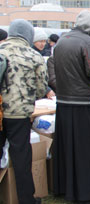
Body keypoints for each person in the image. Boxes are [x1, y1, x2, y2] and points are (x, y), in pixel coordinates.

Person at [53, 10, 90, 202]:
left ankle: (63, 186)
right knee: (83, 148)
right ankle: (84, 191)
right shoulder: (88, 42)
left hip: (63, 101)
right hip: (82, 102)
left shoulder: (61, 41)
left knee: (66, 146)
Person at [0, 19, 48, 204]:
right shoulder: (34, 56)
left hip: (0, 112)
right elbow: (41, 88)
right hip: (19, 114)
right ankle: (27, 199)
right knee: (21, 157)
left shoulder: (1, 50)